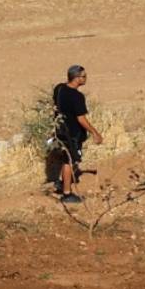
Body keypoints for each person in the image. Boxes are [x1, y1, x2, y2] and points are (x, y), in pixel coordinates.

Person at [52, 65, 103, 204]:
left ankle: (61, 183)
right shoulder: (77, 97)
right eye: (83, 76)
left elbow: (55, 106)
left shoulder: (59, 88)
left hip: (60, 130)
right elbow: (81, 119)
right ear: (76, 78)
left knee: (66, 158)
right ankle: (67, 194)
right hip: (72, 134)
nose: (86, 78)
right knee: (69, 161)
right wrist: (95, 133)